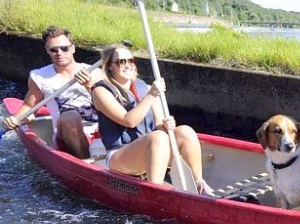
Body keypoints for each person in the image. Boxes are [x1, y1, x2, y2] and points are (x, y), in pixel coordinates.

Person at [90, 43, 213, 193]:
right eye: (121, 62)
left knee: (185, 131)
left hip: (151, 147)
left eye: (130, 60)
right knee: (158, 138)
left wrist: (167, 125)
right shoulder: (101, 91)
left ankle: (198, 183)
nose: (127, 65)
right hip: (119, 154)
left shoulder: (145, 88)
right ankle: (155, 191)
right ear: (109, 66)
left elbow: (159, 126)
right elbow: (129, 121)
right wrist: (151, 95)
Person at [2, 26, 100, 158]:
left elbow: (111, 105)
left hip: (99, 131)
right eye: (54, 49)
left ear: (73, 48)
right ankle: (87, 162)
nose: (59, 53)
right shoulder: (39, 76)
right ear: (47, 51)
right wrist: (15, 119)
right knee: (70, 117)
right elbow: (29, 107)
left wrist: (89, 86)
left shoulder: (94, 72)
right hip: (66, 137)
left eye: (64, 48)